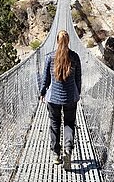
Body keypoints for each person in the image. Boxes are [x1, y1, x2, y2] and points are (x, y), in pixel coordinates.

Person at [40, 30, 82, 171]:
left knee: (55, 124)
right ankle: (68, 150)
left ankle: (56, 155)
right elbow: (78, 79)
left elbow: (45, 78)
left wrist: (42, 92)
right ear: (68, 41)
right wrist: (77, 94)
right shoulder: (75, 57)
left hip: (53, 98)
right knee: (69, 124)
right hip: (70, 97)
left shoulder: (50, 57)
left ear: (57, 41)